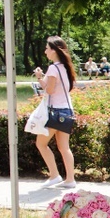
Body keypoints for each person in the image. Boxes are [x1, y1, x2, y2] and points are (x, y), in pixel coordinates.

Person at [34, 36, 77, 189]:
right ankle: (70, 179)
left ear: (53, 50)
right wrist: (41, 78)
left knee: (41, 143)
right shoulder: (65, 67)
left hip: (55, 112)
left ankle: (54, 175)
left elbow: (50, 89)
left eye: (47, 48)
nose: (45, 51)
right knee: (64, 147)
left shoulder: (53, 68)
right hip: (67, 110)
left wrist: (40, 82)